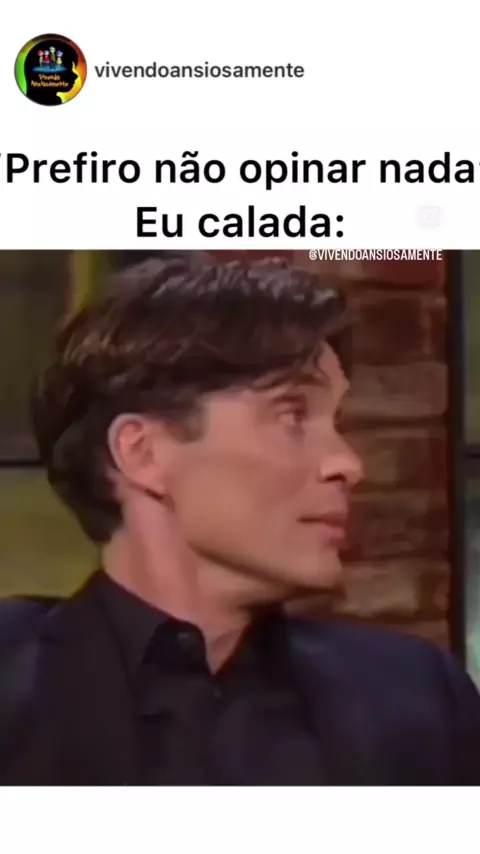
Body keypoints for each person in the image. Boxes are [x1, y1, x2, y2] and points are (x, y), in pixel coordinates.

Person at [1, 254, 479, 785]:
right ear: (142, 453)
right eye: (292, 416)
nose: (348, 463)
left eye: (335, 423)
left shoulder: (417, 697)